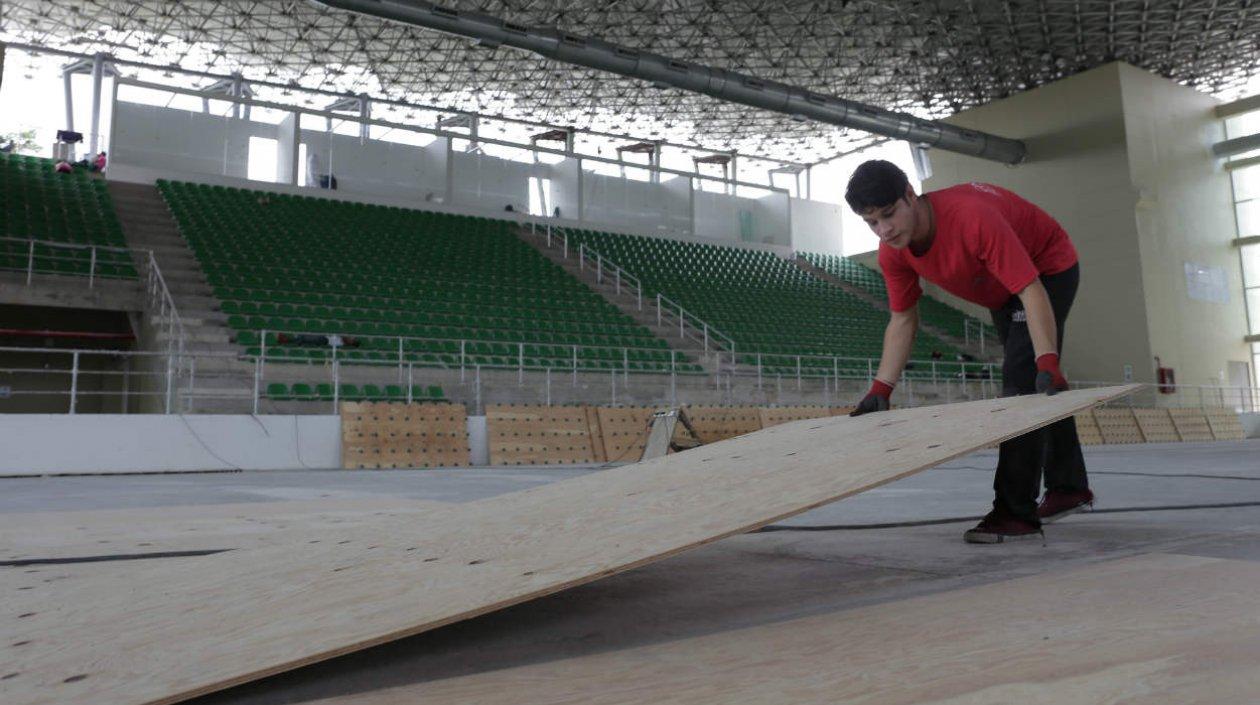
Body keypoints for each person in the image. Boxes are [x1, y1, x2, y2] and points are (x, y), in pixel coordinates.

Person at [845, 159, 1091, 544]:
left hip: (1046, 269)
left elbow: (1030, 290)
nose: (884, 230)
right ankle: (1069, 487)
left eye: (889, 214)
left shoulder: (971, 218)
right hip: (999, 288)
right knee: (1036, 383)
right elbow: (903, 320)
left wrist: (1048, 359)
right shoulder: (893, 251)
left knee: (1023, 385)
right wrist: (881, 389)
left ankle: (1016, 513)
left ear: (911, 195)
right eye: (872, 222)